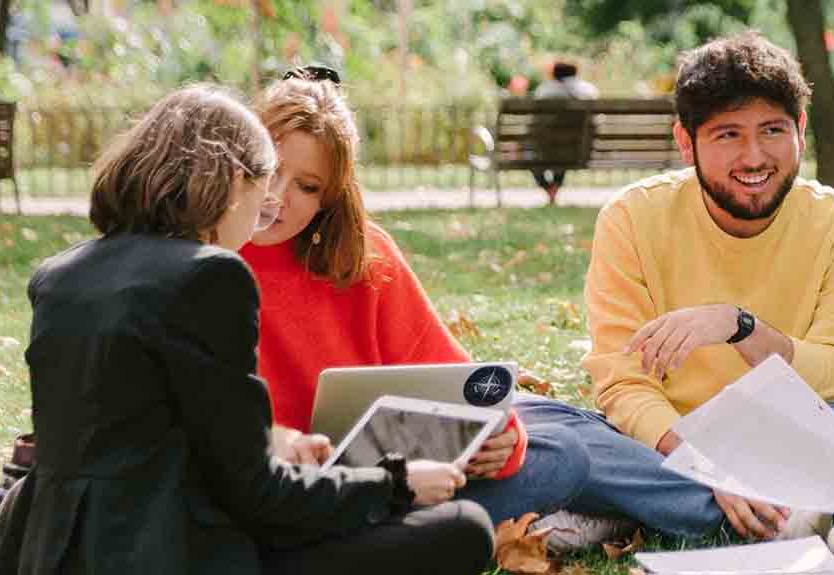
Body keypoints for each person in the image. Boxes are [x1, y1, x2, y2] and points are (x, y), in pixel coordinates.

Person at [9, 85, 492, 575]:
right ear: (230, 182)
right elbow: (261, 496)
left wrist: (273, 443)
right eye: (264, 182)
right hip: (175, 552)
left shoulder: (59, 275)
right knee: (465, 525)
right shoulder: (210, 275)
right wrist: (396, 483)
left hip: (52, 554)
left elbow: (139, 438)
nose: (268, 204)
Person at [508, 31, 834, 549]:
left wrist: (740, 327)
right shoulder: (632, 217)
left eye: (773, 130)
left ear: (801, 129)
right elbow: (624, 384)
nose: (754, 157)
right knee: (536, 422)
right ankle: (782, 510)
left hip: (791, 430)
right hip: (671, 443)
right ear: (685, 142)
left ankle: (643, 509)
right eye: (727, 135)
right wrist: (704, 463)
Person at [239, 66, 610, 550]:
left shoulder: (364, 255)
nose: (277, 196)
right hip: (276, 495)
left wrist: (501, 443)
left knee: (563, 453)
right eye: (270, 169)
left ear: (329, 199)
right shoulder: (206, 260)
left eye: (307, 186)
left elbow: (455, 376)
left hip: (393, 488)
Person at [531, 61, 601, 202]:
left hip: (548, 148)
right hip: (580, 150)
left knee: (533, 154)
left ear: (554, 74)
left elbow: (535, 123)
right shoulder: (589, 91)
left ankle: (550, 189)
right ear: (575, 73)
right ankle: (554, 189)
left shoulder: (544, 91)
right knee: (564, 149)